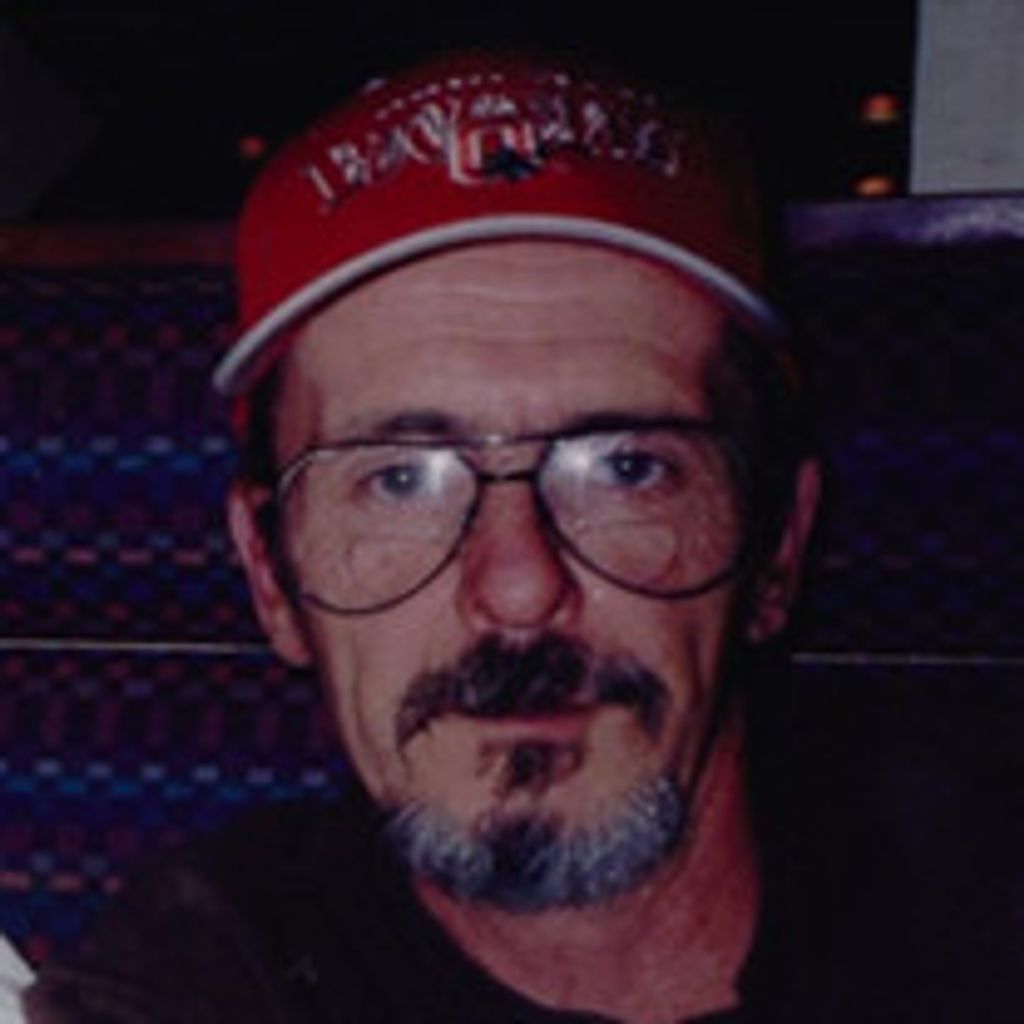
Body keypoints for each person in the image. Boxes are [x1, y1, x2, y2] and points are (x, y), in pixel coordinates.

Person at [26, 46, 935, 1023]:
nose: (517, 587)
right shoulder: (206, 970)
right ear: (269, 576)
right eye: (399, 481)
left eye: (625, 467)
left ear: (779, 543)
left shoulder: (974, 888)